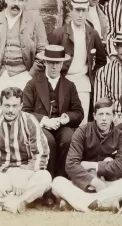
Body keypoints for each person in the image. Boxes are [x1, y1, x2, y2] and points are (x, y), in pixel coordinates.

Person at [51, 98, 122, 213]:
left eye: (108, 114)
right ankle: (103, 202)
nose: (104, 118)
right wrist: (94, 182)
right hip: (83, 183)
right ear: (94, 116)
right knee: (57, 182)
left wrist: (93, 165)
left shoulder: (120, 135)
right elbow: (71, 165)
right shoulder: (82, 131)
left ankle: (83, 203)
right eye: (100, 114)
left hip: (107, 183)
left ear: (113, 116)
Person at [40, 0, 108, 124]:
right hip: (62, 81)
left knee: (81, 122)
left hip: (83, 82)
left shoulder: (92, 34)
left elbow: (101, 60)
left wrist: (91, 75)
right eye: (77, 10)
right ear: (71, 10)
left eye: (84, 10)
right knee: (61, 120)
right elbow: (48, 59)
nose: (80, 15)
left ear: (87, 11)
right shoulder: (59, 33)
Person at [21, 45, 84, 179]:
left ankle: (61, 179)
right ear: (45, 62)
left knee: (69, 139)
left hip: (61, 126)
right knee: (47, 140)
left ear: (62, 64)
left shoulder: (69, 85)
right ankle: (47, 181)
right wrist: (45, 121)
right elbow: (25, 112)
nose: (54, 67)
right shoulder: (32, 84)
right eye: (51, 62)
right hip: (41, 126)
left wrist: (66, 117)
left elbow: (79, 113)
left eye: (58, 63)